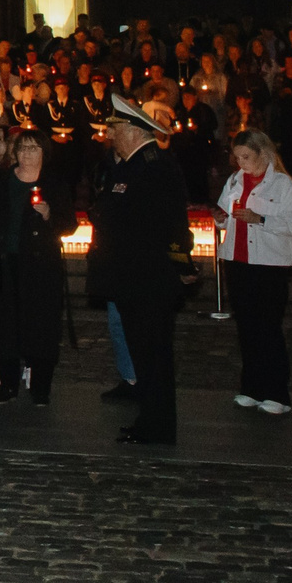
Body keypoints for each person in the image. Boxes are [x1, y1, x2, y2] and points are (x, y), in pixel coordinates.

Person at [87, 96, 197, 445]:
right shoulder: (128, 166)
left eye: (115, 128)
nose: (109, 135)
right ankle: (150, 419)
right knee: (143, 353)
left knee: (154, 355)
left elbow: (173, 225)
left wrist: (182, 264)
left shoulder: (155, 167)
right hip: (129, 276)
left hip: (148, 278)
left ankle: (158, 425)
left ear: (134, 131)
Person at [0, 131, 75, 404]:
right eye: (22, 148)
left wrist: (49, 215)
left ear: (44, 153)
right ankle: (8, 384)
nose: (27, 154)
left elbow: (69, 223)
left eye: (33, 148)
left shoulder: (54, 183)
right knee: (4, 324)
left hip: (41, 265)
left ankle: (41, 386)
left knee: (41, 324)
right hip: (6, 261)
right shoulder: (1, 181)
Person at [216, 129, 292, 416]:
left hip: (269, 264)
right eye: (237, 157)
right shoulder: (235, 180)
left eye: (246, 157)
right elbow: (225, 215)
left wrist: (260, 218)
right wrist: (221, 219)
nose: (241, 163)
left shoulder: (282, 184)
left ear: (263, 154)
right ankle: (251, 387)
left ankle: (277, 392)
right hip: (238, 260)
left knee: (268, 327)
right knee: (246, 327)